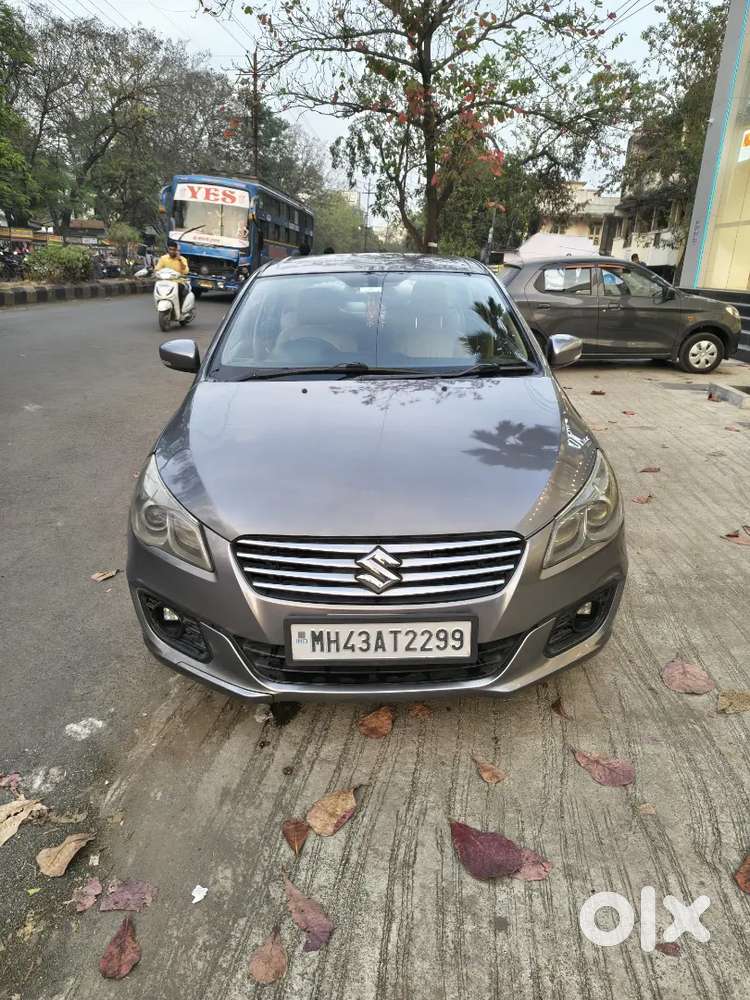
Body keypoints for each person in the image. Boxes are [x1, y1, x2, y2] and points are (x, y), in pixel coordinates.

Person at [156, 241, 190, 308]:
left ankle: (180, 308)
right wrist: (156, 273)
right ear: (168, 249)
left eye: (173, 250)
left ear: (176, 250)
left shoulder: (182, 259)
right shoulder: (163, 258)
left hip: (178, 282)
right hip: (165, 281)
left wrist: (179, 260)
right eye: (170, 249)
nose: (171, 251)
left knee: (180, 290)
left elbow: (186, 271)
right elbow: (158, 269)